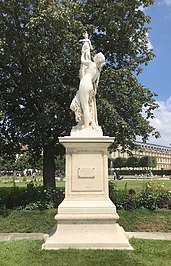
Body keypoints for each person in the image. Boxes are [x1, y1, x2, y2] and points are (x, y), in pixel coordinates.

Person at [70, 50, 105, 129]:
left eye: (95, 57)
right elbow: (96, 84)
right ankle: (83, 124)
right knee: (85, 106)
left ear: (97, 59)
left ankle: (86, 127)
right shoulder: (98, 71)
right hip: (90, 86)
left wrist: (83, 53)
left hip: (84, 84)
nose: (94, 57)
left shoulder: (91, 64)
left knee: (85, 106)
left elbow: (82, 60)